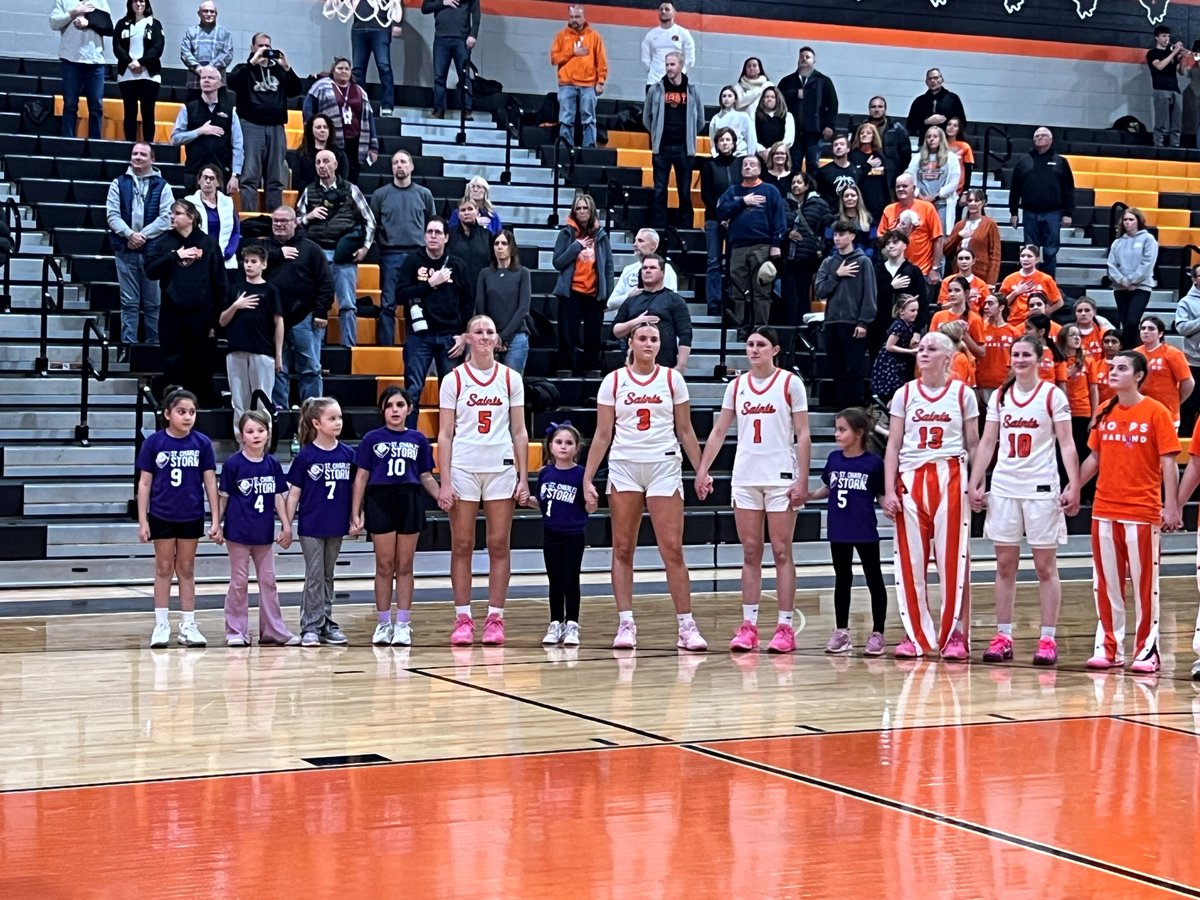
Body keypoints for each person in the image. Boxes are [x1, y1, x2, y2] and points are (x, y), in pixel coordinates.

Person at [583, 321, 706, 650]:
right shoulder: (614, 381)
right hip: (624, 467)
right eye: (643, 338)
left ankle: (686, 625)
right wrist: (587, 477)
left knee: (672, 549)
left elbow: (686, 430)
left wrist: (702, 470)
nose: (649, 343)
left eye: (654, 339)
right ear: (632, 343)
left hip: (664, 465)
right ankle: (625, 623)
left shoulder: (672, 379)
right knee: (623, 548)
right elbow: (602, 434)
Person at [695, 327, 811, 653]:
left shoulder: (790, 383)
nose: (754, 349)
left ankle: (785, 627)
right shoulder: (736, 386)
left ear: (774, 349)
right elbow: (719, 431)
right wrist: (702, 469)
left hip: (780, 477)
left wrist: (802, 479)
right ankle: (749, 625)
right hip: (745, 477)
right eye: (750, 344)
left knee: (782, 550)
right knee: (749, 551)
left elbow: (803, 433)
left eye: (761, 345)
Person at [968, 335, 1080, 667]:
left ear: (1039, 359)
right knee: (1004, 565)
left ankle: (1047, 637)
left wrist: (1074, 485)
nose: (1019, 359)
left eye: (1025, 354)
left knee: (1045, 567)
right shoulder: (1001, 395)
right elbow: (988, 441)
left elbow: (1067, 444)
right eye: (1015, 354)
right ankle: (1003, 635)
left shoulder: (1052, 395)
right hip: (1004, 487)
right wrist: (976, 480)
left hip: (1041, 489)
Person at [1079, 351, 1181, 673]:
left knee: (1144, 585)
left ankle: (1147, 651)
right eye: (1112, 367)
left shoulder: (1157, 412)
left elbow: (1169, 463)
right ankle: (1109, 648)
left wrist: (1172, 505)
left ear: (1138, 375)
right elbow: (1094, 458)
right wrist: (1073, 488)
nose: (1113, 372)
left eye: (1121, 368)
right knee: (1106, 583)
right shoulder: (1103, 409)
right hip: (1103, 509)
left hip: (1142, 511)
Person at [882, 331, 980, 659]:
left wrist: (977, 483)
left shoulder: (963, 394)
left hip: (951, 475)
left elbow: (974, 443)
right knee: (911, 562)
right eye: (921, 348)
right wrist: (887, 489)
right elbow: (893, 445)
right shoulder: (905, 394)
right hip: (910, 478)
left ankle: (955, 634)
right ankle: (916, 634)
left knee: (954, 560)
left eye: (932, 348)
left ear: (947, 357)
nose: (923, 352)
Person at [438, 315, 530, 646]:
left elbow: (519, 431)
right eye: (478, 331)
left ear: (497, 339)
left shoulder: (510, 379)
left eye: (490, 331)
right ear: (468, 337)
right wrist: (444, 480)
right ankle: (463, 617)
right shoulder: (454, 380)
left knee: (497, 544)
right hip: (463, 467)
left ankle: (495, 617)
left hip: (500, 468)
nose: (485, 336)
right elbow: (445, 435)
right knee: (462, 544)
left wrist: (524, 477)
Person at [351, 388, 439, 648]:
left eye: (400, 404)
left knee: (405, 565)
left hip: (410, 499)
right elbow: (361, 477)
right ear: (383, 410)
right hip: (380, 500)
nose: (395, 410)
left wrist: (442, 497)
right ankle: (383, 623)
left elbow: (425, 476)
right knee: (384, 565)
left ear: (409, 409)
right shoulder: (371, 439)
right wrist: (355, 512)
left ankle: (403, 624)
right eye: (389, 405)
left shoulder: (419, 439)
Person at [137, 387, 221, 648]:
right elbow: (144, 484)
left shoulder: (202, 443)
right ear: (167, 414)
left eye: (192, 412)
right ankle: (161, 625)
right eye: (181, 412)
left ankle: (188, 625)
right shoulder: (154, 442)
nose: (187, 417)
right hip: (162, 514)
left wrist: (216, 518)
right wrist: (143, 521)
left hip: (191, 514)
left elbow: (210, 483)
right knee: (163, 568)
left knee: (186, 568)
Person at [810, 408, 887, 655]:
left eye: (842, 429)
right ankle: (842, 632)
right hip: (839, 529)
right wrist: (809, 496)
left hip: (864, 529)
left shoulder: (874, 464)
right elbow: (828, 488)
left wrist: (892, 506)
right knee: (842, 579)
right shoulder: (834, 458)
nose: (837, 434)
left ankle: (878, 633)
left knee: (874, 578)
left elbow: (882, 494)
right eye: (836, 429)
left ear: (859, 433)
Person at [217, 409, 297, 647]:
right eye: (250, 431)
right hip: (238, 533)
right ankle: (236, 631)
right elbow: (224, 497)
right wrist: (216, 524)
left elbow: (278, 496)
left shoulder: (272, 464)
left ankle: (273, 630)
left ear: (268, 433)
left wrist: (286, 525)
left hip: (264, 534)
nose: (256, 435)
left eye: (260, 431)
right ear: (241, 435)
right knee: (239, 581)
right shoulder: (233, 464)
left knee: (269, 581)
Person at [286, 396, 354, 647]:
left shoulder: (348, 454)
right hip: (311, 525)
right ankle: (310, 626)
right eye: (332, 418)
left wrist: (357, 517)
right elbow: (294, 492)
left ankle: (325, 621)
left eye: (340, 418)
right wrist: (286, 524)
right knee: (314, 574)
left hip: (336, 523)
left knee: (327, 574)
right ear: (316, 423)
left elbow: (356, 489)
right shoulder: (306, 456)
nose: (338, 422)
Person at [145, 199, 226, 403]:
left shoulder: (208, 243)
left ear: (191, 217)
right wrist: (175, 256)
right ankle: (173, 404)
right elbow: (150, 271)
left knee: (201, 362)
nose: (173, 217)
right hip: (173, 313)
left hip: (202, 314)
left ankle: (202, 406)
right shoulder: (164, 242)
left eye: (178, 213)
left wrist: (217, 321)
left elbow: (220, 283)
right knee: (173, 361)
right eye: (172, 213)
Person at [525, 422, 596, 646]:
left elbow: (589, 507)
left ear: (577, 448)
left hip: (574, 535)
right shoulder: (545, 473)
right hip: (550, 533)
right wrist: (527, 501)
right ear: (551, 446)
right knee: (554, 580)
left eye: (569, 443)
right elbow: (544, 502)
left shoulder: (581, 475)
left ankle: (572, 624)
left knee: (570, 579)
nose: (563, 447)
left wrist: (592, 502)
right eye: (559, 442)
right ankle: (555, 622)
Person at [297, 149, 376, 348]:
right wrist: (309, 216)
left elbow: (370, 220)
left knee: (348, 305)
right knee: (317, 306)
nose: (321, 166)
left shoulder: (351, 189)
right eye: (318, 162)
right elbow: (295, 222)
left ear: (335, 165)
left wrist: (366, 247)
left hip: (344, 254)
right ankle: (318, 352)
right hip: (317, 255)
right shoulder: (309, 191)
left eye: (326, 161)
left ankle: (349, 350)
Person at [399, 217, 471, 423]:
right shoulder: (412, 262)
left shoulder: (458, 265)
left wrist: (465, 335)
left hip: (450, 336)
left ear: (446, 237)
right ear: (423, 236)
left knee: (452, 395)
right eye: (429, 232)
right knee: (413, 390)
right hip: (419, 336)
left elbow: (468, 302)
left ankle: (452, 443)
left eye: (438, 232)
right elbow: (400, 295)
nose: (433, 236)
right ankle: (409, 438)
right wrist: (430, 283)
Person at [107, 141, 173, 355]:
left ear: (152, 159)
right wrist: (130, 235)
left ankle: (154, 346)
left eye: (142, 154)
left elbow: (166, 218)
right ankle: (129, 347)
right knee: (128, 302)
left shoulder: (163, 186)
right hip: (125, 250)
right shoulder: (118, 183)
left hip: (152, 252)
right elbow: (112, 215)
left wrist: (143, 236)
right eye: (134, 153)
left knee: (153, 303)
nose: (137, 157)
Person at [265, 206, 333, 408]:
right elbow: (249, 273)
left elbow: (326, 282)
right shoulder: (264, 249)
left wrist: (321, 311)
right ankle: (280, 411)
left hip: (305, 316)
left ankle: (313, 412)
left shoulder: (311, 249)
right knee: (278, 367)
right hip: (272, 317)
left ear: (295, 223)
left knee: (310, 367)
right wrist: (277, 255)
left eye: (284, 221)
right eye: (276, 220)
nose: (279, 224)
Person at [227, 32, 302, 213]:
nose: (264, 50)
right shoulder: (244, 69)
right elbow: (233, 83)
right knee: (250, 176)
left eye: (267, 46)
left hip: (276, 126)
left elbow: (296, 90)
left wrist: (287, 67)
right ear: (252, 48)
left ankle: (274, 219)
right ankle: (250, 219)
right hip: (251, 125)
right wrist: (252, 63)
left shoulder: (278, 70)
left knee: (276, 177)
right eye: (260, 46)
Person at [371, 149, 436, 347]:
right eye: (395, 162)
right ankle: (386, 348)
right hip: (390, 255)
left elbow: (431, 225)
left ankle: (418, 346)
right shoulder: (380, 195)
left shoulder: (424, 194)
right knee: (388, 304)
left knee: (418, 304)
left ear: (411, 166)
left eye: (403, 162)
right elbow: (372, 225)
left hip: (418, 256)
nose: (399, 165)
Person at [717, 155, 785, 334]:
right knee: (738, 290)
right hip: (737, 247)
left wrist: (776, 243)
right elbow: (721, 211)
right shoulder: (733, 191)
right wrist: (742, 202)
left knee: (762, 290)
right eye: (745, 165)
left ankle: (760, 329)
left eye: (752, 165)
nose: (748, 167)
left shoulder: (770, 190)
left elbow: (779, 218)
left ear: (759, 169)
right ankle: (740, 328)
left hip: (762, 246)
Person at [219, 244, 282, 439]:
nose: (248, 265)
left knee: (262, 400)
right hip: (236, 350)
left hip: (262, 351)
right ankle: (241, 442)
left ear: (263, 264)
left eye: (253, 262)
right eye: (246, 261)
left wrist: (278, 354)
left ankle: (264, 442)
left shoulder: (270, 290)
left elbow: (279, 322)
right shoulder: (235, 289)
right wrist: (236, 306)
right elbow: (222, 321)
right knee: (239, 401)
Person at [814, 219, 877, 408]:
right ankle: (839, 408)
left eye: (841, 234)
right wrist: (837, 275)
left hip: (853, 322)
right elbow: (820, 291)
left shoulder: (863, 261)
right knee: (836, 367)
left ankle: (855, 408)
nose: (837, 238)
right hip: (832, 321)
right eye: (835, 235)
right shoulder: (828, 262)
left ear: (852, 236)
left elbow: (869, 293)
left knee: (854, 368)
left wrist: (864, 322)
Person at [552, 194, 613, 377]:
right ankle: (566, 367)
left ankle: (591, 367)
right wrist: (576, 246)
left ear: (591, 210)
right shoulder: (566, 233)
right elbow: (558, 262)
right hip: (571, 292)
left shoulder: (601, 236)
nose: (581, 211)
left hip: (594, 293)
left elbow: (608, 267)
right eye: (578, 208)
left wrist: (606, 294)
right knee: (567, 335)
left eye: (585, 208)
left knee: (593, 334)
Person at [644, 51, 704, 229]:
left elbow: (700, 120)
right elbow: (647, 118)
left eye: (672, 64)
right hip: (661, 149)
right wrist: (656, 135)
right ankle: (659, 230)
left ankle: (685, 230)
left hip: (684, 149)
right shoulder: (656, 89)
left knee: (684, 193)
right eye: (667, 64)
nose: (669, 68)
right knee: (659, 192)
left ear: (680, 66)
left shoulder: (692, 90)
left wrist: (689, 136)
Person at [1007, 127, 1074, 278]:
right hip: (1030, 213)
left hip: (1053, 213)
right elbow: (1015, 189)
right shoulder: (1024, 162)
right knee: (1030, 251)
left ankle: (1048, 283)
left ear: (1051, 140)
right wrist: (1014, 213)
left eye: (1044, 135)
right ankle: (1031, 281)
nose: (1040, 138)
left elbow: (1068, 189)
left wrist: (1068, 213)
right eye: (1037, 136)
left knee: (1050, 251)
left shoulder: (1061, 162)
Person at [303, 58, 379, 182]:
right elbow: (308, 108)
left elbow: (369, 118)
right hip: (331, 140)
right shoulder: (321, 86)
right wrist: (310, 131)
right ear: (333, 71)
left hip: (356, 142)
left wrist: (374, 147)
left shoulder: (360, 91)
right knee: (333, 174)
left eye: (347, 69)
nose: (343, 71)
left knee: (352, 177)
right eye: (340, 68)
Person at [612, 255, 692, 369]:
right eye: (644, 268)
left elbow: (685, 335)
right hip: (633, 367)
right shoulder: (631, 300)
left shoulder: (675, 300)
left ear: (662, 273)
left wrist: (680, 366)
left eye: (652, 268)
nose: (647, 270)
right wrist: (637, 321)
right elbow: (616, 331)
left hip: (665, 365)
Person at [171, 65, 243, 190]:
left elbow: (238, 145)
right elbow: (174, 139)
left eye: (211, 78)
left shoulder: (230, 111)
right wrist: (199, 131)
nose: (206, 80)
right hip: (194, 172)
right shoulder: (187, 108)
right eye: (203, 78)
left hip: (221, 174)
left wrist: (235, 175)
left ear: (220, 83)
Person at [51, 0, 114, 139]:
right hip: (71, 60)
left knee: (96, 107)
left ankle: (94, 143)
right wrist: (74, 12)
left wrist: (89, 23)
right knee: (70, 105)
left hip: (95, 61)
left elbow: (109, 27)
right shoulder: (64, 1)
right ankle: (68, 143)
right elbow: (53, 23)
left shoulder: (100, 2)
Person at [476, 229, 531, 374]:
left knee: (512, 386)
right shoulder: (485, 273)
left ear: (511, 247)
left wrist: (502, 336)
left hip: (516, 337)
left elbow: (523, 309)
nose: (499, 247)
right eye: (496, 243)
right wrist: (492, 336)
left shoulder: (523, 273)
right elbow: (480, 308)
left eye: (504, 243)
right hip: (489, 338)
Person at [551, 4, 606, 149]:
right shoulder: (561, 36)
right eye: (571, 17)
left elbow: (601, 60)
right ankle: (565, 146)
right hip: (566, 84)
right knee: (565, 118)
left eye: (577, 16)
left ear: (584, 17)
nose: (574, 20)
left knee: (589, 118)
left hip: (588, 84)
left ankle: (589, 147)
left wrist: (601, 81)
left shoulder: (594, 37)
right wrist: (572, 52)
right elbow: (554, 59)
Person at [777, 46, 838, 174]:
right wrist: (795, 94)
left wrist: (829, 125)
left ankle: (812, 192)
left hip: (814, 132)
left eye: (807, 57)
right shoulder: (787, 81)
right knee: (793, 165)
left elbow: (832, 105)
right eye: (801, 57)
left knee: (813, 165)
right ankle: (792, 192)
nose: (804, 59)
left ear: (814, 61)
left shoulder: (823, 81)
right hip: (793, 132)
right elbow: (777, 100)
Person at [781, 171, 831, 326]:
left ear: (807, 185)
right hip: (787, 257)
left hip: (808, 257)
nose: (796, 185)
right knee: (788, 296)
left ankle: (803, 331)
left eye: (799, 182)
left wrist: (822, 248)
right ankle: (790, 328)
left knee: (803, 295)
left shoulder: (819, 204)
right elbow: (777, 225)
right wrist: (787, 233)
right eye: (793, 182)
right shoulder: (784, 203)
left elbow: (827, 229)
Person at [1107, 207, 1159, 349]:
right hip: (1120, 287)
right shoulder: (1117, 243)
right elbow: (1111, 265)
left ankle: (1130, 350)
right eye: (1125, 220)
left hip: (1141, 287)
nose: (1127, 222)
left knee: (1132, 321)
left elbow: (1147, 263)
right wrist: (1122, 281)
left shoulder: (1148, 239)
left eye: (1131, 219)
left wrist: (1131, 280)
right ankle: (1132, 351)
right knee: (1125, 322)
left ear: (1138, 221)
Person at [878, 174, 944, 285]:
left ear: (913, 188)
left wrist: (935, 268)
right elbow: (880, 240)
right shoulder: (888, 210)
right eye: (897, 187)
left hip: (922, 271)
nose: (900, 189)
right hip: (895, 272)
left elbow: (938, 239)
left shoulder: (927, 208)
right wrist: (896, 233)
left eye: (904, 186)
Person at [113, 0, 163, 143]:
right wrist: (130, 62)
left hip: (149, 75)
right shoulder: (122, 24)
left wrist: (141, 62)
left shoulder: (155, 24)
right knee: (130, 113)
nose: (139, 4)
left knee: (148, 113)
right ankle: (129, 147)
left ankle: (148, 148)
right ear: (130, 4)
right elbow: (117, 47)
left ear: (146, 4)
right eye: (135, 1)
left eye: (142, 1)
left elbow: (157, 47)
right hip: (127, 75)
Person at [870, 228, 927, 355]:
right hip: (879, 327)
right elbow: (871, 297)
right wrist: (891, 288)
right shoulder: (877, 270)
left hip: (906, 328)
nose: (890, 246)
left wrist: (917, 331)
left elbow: (922, 302)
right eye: (887, 243)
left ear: (905, 245)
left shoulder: (913, 271)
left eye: (895, 242)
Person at [343, 0, 404, 118]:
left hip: (380, 28)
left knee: (384, 66)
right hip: (359, 28)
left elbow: (396, 3)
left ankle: (387, 105)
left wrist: (397, 23)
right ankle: (358, 103)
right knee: (358, 69)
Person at [421, 0, 480, 119]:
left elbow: (476, 11)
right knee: (439, 76)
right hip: (441, 38)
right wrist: (443, 2)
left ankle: (467, 110)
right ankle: (439, 109)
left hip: (462, 39)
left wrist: (473, 34)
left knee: (464, 76)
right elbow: (425, 8)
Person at [1136, 315, 1194, 429]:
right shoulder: (1135, 354)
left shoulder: (1172, 353)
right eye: (1143, 328)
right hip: (1141, 412)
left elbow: (1188, 383)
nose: (1146, 332)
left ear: (1161, 333)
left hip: (1168, 412)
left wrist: (1176, 401)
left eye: (1151, 329)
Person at [184, 163, 240, 272]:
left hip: (226, 260)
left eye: (212, 178)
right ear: (199, 181)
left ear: (218, 182)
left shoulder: (228, 202)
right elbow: (185, 232)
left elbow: (235, 231)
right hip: (199, 260)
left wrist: (228, 253)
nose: (208, 181)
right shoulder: (189, 202)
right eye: (205, 177)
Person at [608, 227, 678, 311]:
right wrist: (629, 296)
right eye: (635, 240)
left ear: (653, 246)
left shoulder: (666, 269)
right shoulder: (628, 269)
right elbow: (611, 303)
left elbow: (670, 301)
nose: (635, 244)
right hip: (627, 321)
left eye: (640, 241)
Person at [906, 126, 960, 234]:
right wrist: (920, 196)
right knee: (919, 232)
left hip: (942, 203)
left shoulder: (951, 158)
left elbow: (954, 182)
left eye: (935, 136)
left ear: (941, 138)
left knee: (940, 234)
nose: (931, 139)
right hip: (920, 202)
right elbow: (909, 177)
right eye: (928, 136)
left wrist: (935, 197)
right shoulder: (917, 157)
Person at [1058, 325, 1098, 466]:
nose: (1076, 338)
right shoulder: (1057, 361)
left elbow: (1093, 390)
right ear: (1063, 338)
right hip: (1062, 414)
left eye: (1079, 335)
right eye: (1072, 335)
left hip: (1083, 412)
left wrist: (1094, 417)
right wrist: (1064, 374)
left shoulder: (1088, 360)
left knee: (1082, 452)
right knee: (1062, 454)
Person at [944, 188, 1000, 287]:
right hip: (959, 274)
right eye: (970, 201)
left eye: (976, 200)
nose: (973, 203)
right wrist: (958, 236)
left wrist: (991, 282)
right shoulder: (960, 225)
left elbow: (995, 255)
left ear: (982, 203)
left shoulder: (990, 224)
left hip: (981, 274)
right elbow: (946, 250)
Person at [871, 295, 920, 403]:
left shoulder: (909, 325)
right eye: (912, 310)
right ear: (901, 311)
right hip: (890, 362)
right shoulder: (898, 325)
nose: (915, 313)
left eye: (916, 310)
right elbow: (889, 346)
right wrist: (910, 351)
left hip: (900, 361)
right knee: (893, 390)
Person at [288, 114, 349, 200]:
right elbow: (297, 181)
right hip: (308, 197)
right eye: (318, 127)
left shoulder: (339, 154)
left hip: (335, 197)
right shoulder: (301, 154)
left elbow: (343, 181)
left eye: (325, 127)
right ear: (311, 130)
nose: (322, 130)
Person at [999, 244, 1061, 329]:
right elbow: (1001, 303)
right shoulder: (1009, 279)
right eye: (1022, 256)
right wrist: (1015, 293)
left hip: (1037, 324)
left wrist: (1043, 313)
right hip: (1015, 323)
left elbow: (1059, 302)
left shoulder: (1046, 279)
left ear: (1037, 259)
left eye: (1029, 256)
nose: (1025, 259)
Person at [179, 0, 231, 99]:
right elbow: (185, 53)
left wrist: (209, 69)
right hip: (195, 83)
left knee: (220, 114)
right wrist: (198, 68)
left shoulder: (225, 33)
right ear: (199, 13)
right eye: (205, 11)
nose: (209, 14)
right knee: (193, 114)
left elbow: (228, 54)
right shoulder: (191, 32)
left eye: (212, 12)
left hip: (218, 85)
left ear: (216, 14)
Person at [977, 294, 1020, 402]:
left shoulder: (1014, 332)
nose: (986, 306)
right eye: (985, 303)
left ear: (1001, 307)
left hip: (1006, 382)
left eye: (990, 303)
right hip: (983, 382)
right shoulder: (980, 329)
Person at [1148, 25, 1185, 148]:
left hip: (1175, 90)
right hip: (1161, 90)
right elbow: (1159, 66)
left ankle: (1175, 146)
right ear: (1156, 38)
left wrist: (1182, 58)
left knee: (1177, 123)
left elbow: (1181, 72)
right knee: (1161, 122)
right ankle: (1158, 146)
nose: (1167, 39)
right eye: (1163, 36)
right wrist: (1174, 52)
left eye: (1168, 36)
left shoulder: (1171, 53)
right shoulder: (1152, 53)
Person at [641, 2, 694, 87]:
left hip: (676, 83)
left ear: (674, 13)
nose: (663, 11)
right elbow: (645, 59)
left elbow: (690, 59)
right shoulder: (651, 35)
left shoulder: (683, 33)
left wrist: (680, 73)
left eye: (667, 9)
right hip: (654, 81)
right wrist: (653, 71)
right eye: (661, 9)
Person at [1173, 266, 1200, 436]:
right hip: (1195, 363)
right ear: (1194, 279)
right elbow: (1181, 327)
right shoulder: (1186, 302)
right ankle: (1185, 447)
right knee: (1190, 407)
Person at [932, 275, 984, 361]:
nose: (952, 294)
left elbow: (981, 354)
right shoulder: (938, 316)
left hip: (964, 368)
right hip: (942, 366)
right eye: (950, 291)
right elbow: (931, 343)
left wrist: (965, 336)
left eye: (957, 290)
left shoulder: (975, 319)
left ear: (966, 293)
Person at [447, 198, 491, 302]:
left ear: (477, 211)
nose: (466, 212)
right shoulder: (449, 236)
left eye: (470, 209)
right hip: (455, 293)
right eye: (463, 210)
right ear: (458, 214)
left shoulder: (487, 236)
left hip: (481, 292)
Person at [905, 67, 966, 137]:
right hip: (926, 142)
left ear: (942, 80)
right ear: (926, 82)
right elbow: (910, 125)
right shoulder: (919, 101)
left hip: (947, 143)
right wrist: (926, 121)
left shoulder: (953, 99)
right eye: (930, 78)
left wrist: (947, 121)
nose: (933, 81)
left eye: (936, 78)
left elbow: (962, 122)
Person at [850, 122, 892, 223]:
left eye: (868, 133)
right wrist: (867, 166)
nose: (864, 135)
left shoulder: (880, 156)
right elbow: (853, 178)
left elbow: (885, 182)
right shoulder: (852, 156)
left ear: (874, 136)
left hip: (877, 203)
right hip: (859, 202)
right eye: (862, 133)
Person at [863, 95, 911, 179]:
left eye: (880, 106)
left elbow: (906, 155)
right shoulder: (862, 128)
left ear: (885, 109)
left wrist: (899, 173)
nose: (877, 109)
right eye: (873, 107)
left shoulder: (897, 128)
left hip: (891, 173)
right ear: (869, 110)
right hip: (866, 171)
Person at [814, 133, 862, 207]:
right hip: (831, 214)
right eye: (835, 145)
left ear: (848, 149)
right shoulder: (823, 172)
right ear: (833, 150)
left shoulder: (857, 171)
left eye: (842, 144)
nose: (838, 147)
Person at [938, 247, 990, 312]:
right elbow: (943, 306)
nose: (964, 261)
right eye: (960, 258)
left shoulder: (981, 284)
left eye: (967, 258)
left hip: (973, 319)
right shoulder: (947, 281)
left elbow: (987, 309)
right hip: (952, 319)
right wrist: (966, 297)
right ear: (956, 261)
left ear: (973, 261)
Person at [830, 184, 875, 256]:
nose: (849, 198)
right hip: (840, 258)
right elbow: (828, 242)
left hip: (864, 258)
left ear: (858, 198)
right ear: (842, 199)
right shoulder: (833, 220)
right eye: (846, 196)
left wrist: (864, 258)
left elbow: (873, 242)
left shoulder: (869, 219)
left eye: (853, 195)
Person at [708, 87, 753, 157]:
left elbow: (751, 139)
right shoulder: (716, 119)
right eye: (724, 96)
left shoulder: (744, 117)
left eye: (729, 96)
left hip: (740, 156)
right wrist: (716, 156)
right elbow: (712, 141)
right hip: (721, 157)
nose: (726, 99)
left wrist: (750, 157)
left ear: (735, 99)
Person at [1026, 313, 1066, 390]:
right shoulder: (1021, 351)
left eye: (1029, 328)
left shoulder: (1056, 354)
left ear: (1041, 331)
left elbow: (1061, 384)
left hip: (1048, 396)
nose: (1025, 331)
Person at [753, 85, 794, 158]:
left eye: (773, 97)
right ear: (762, 99)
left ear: (778, 99)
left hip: (780, 155)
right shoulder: (754, 116)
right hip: (760, 156)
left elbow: (789, 139)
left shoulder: (787, 116)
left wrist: (773, 151)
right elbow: (752, 138)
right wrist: (762, 151)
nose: (769, 99)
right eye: (767, 97)